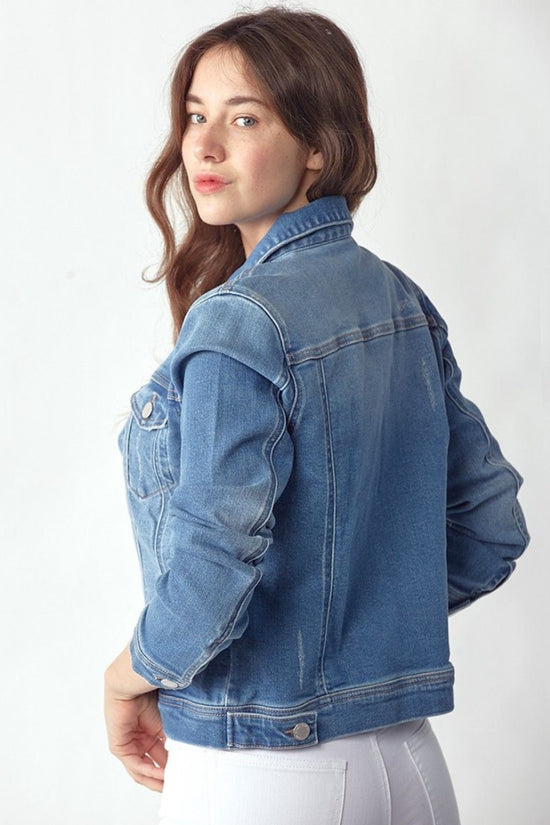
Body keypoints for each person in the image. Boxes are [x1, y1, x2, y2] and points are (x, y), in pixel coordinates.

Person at [104, 8, 529, 824]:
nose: (203, 145)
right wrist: (357, 624)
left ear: (319, 148)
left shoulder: (239, 322)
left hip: (262, 772)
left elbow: (210, 574)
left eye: (245, 119)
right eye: (195, 115)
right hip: (409, 762)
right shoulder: (398, 298)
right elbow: (491, 524)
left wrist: (126, 676)